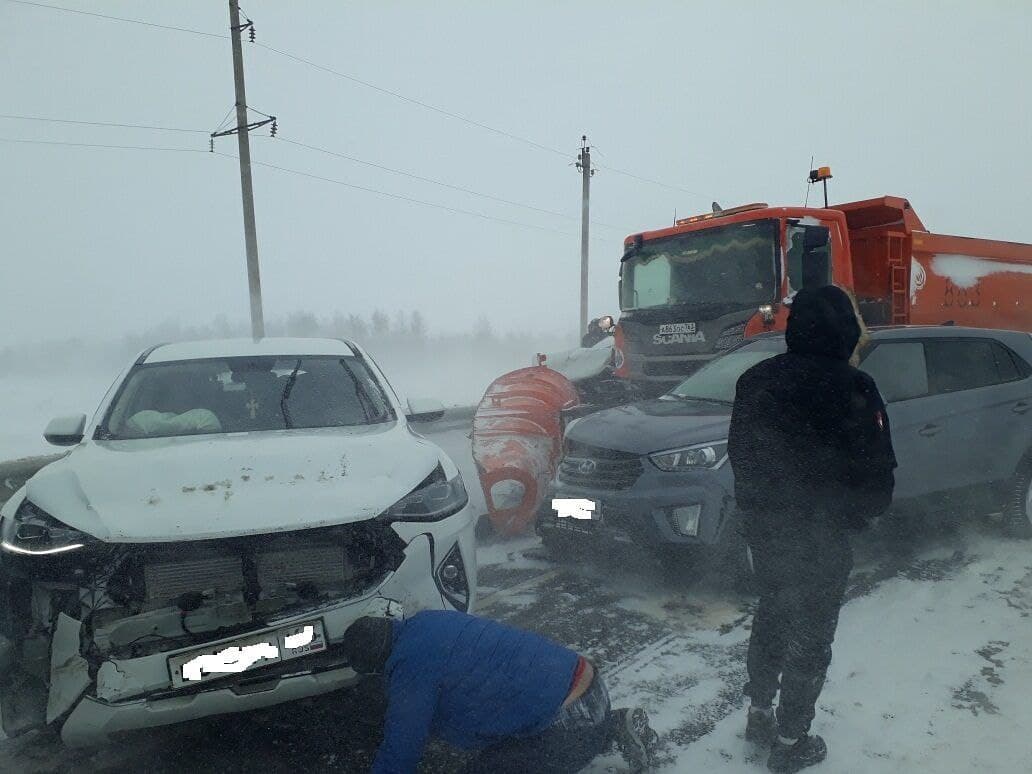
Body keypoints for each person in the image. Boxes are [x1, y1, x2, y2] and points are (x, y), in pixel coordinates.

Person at [727, 285, 897, 773]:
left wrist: (759, 510)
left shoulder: (754, 381)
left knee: (773, 613)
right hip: (822, 534)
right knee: (811, 634)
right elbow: (877, 476)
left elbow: (744, 456)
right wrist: (857, 515)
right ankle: (790, 739)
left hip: (766, 529)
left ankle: (759, 712)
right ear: (845, 328)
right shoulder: (854, 387)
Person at [341, 609, 658, 774]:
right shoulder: (426, 622)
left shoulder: (411, 668)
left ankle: (597, 736)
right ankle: (612, 725)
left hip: (567, 723)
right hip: (588, 686)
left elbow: (402, 750)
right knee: (516, 736)